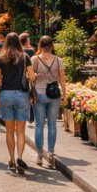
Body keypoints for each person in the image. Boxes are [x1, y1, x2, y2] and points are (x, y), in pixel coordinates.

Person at [0, 32, 35, 176]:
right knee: (21, 131)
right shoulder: (25, 57)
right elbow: (32, 76)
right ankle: (19, 158)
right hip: (22, 95)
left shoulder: (0, 58)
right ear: (18, 42)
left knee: (9, 131)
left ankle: (11, 159)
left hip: (5, 94)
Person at [32, 35, 66, 168]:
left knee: (39, 124)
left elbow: (29, 77)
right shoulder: (59, 60)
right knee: (52, 124)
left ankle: (40, 154)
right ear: (52, 46)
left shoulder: (35, 59)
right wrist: (64, 95)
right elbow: (62, 80)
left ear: (40, 45)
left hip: (39, 94)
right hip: (54, 94)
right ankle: (51, 151)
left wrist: (36, 77)